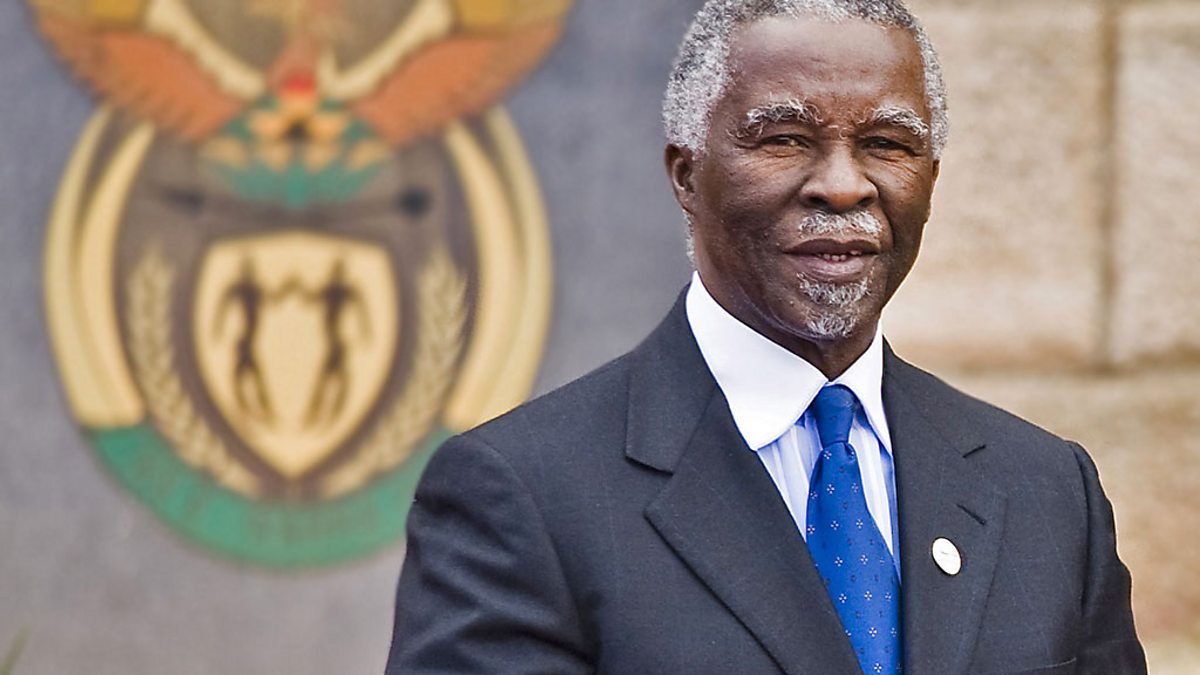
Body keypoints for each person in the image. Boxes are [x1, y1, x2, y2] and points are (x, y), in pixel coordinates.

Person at [386, 1, 1147, 673]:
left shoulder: (1047, 491)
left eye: (887, 143)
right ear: (686, 175)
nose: (844, 185)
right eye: (784, 138)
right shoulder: (521, 496)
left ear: (931, 177)